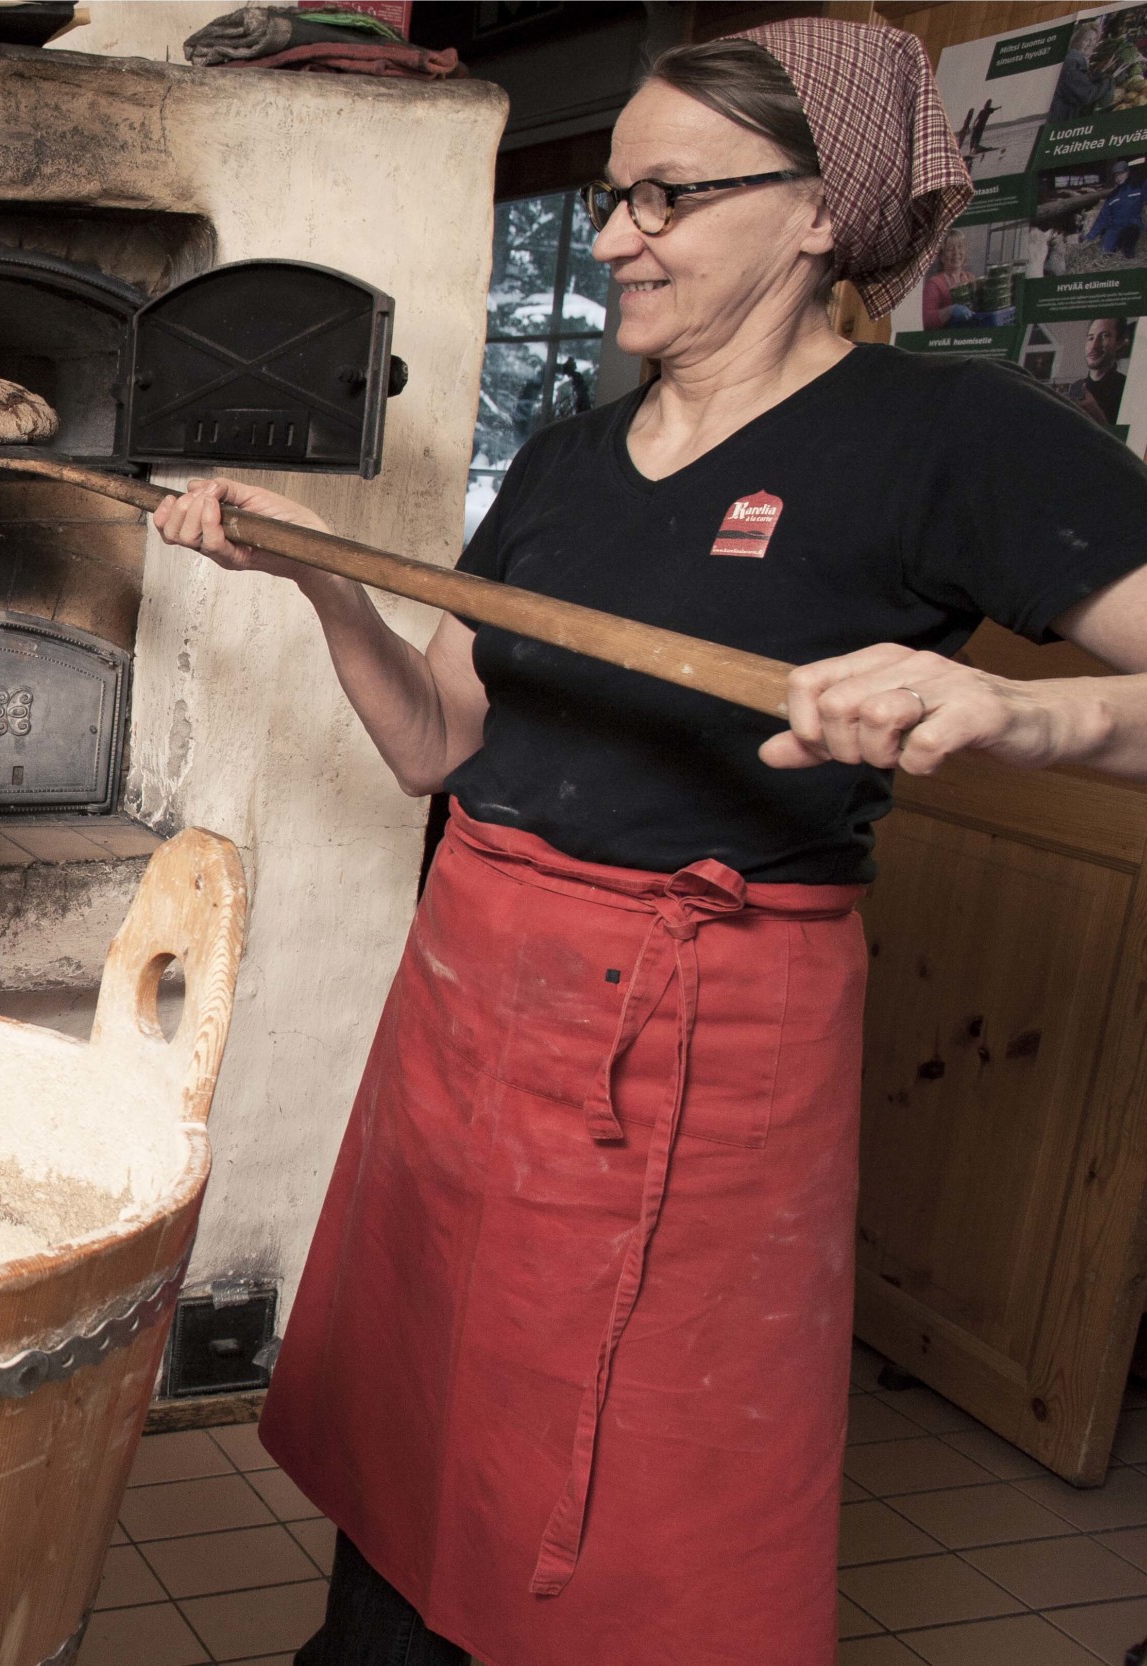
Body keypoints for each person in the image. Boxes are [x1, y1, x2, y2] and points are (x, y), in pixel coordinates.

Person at [155, 18, 1147, 1666]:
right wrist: (325, 570)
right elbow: (431, 750)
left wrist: (1031, 714)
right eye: (617, 197)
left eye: (668, 198)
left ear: (823, 211)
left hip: (698, 1041)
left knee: (638, 1469)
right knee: (419, 1397)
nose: (617, 236)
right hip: (471, 999)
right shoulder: (562, 465)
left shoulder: (949, 444)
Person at [1069, 315, 1131, 424]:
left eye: (1104, 336)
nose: (1094, 346)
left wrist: (1095, 412)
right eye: (1090, 338)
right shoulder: (1075, 387)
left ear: (1119, 343)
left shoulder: (1128, 388)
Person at [1085, 158, 1147, 258]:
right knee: (1105, 251)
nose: (1118, 177)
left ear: (1128, 172)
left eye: (1121, 173)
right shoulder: (1112, 196)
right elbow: (1102, 218)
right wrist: (1090, 237)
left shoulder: (1139, 187)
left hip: (1133, 224)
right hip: (1115, 227)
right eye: (1116, 175)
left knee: (1130, 247)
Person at [1051, 23, 1111, 124]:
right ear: (1076, 40)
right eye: (1087, 40)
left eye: (1094, 40)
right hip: (1061, 121)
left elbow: (1081, 84)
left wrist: (1099, 73)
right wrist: (1108, 80)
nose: (1090, 44)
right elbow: (1087, 94)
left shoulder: (1077, 60)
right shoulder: (1071, 63)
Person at [921, 227, 977, 325]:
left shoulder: (971, 278)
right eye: (950, 249)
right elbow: (926, 319)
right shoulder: (934, 284)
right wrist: (950, 311)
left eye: (960, 247)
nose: (956, 253)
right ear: (942, 256)